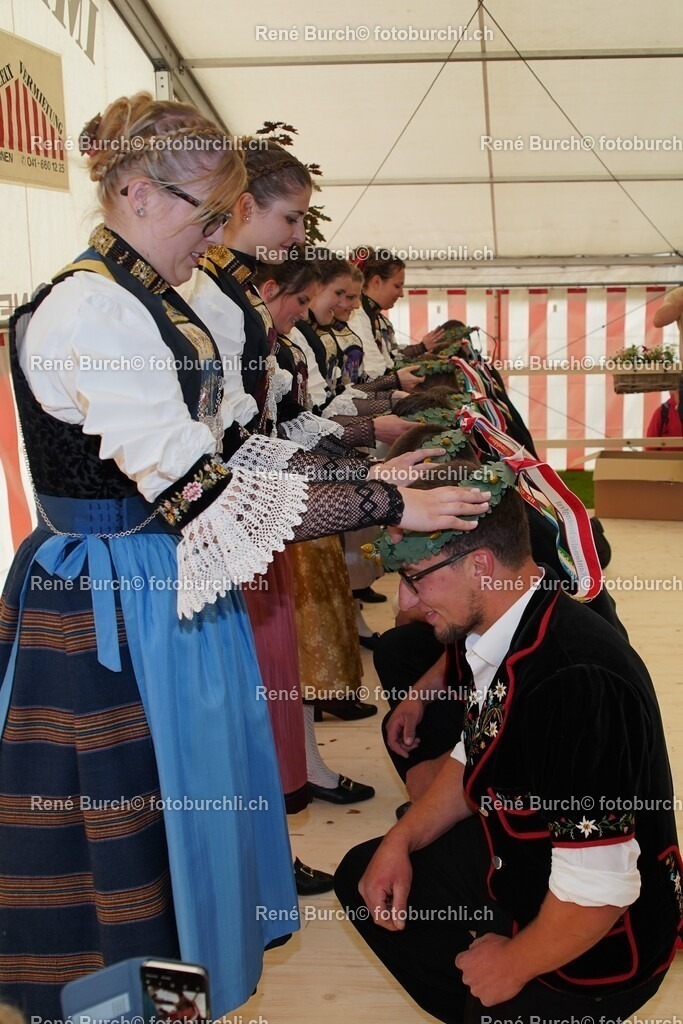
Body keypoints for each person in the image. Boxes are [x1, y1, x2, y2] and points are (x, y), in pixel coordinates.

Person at [0, 94, 491, 1017]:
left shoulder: (149, 299)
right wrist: (389, 496)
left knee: (183, 808)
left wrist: (370, 465)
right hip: (113, 595)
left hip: (160, 582)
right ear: (138, 193)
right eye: (204, 214)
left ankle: (180, 993)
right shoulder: (90, 312)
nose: (215, 236)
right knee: (127, 819)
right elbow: (202, 493)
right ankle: (118, 1003)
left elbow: (239, 452)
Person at [335, 459, 681, 1022]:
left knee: (493, 991)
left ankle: (500, 996)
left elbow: (600, 892)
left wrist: (513, 963)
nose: (403, 603)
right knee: (366, 872)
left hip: (601, 948)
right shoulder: (508, 625)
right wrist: (401, 838)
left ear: (480, 564)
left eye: (416, 577)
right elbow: (473, 750)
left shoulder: (574, 681)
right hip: (534, 863)